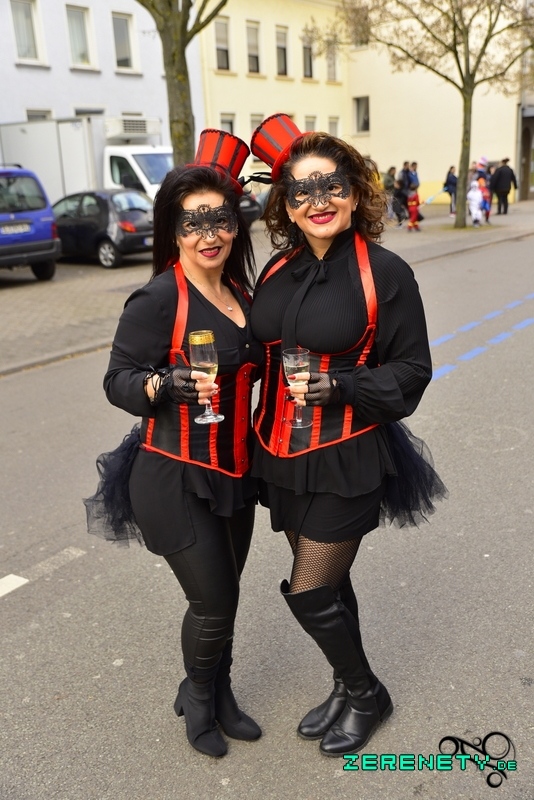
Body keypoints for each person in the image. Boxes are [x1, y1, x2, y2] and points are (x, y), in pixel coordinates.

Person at [249, 114, 446, 757]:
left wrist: (341, 386)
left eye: (331, 185)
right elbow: (253, 350)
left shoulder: (384, 272)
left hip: (348, 453)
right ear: (286, 205)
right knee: (331, 584)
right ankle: (343, 684)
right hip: (280, 455)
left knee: (308, 588)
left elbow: (413, 372)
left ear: (355, 193)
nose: (318, 201)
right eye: (301, 191)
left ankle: (366, 694)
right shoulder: (278, 270)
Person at [84, 129, 263, 758]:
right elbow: (117, 380)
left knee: (227, 595)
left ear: (236, 224)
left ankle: (222, 692)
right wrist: (163, 383)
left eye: (220, 219)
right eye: (193, 223)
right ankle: (197, 697)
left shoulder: (242, 294)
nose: (209, 234)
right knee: (212, 600)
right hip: (173, 473)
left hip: (234, 473)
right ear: (174, 231)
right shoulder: (160, 297)